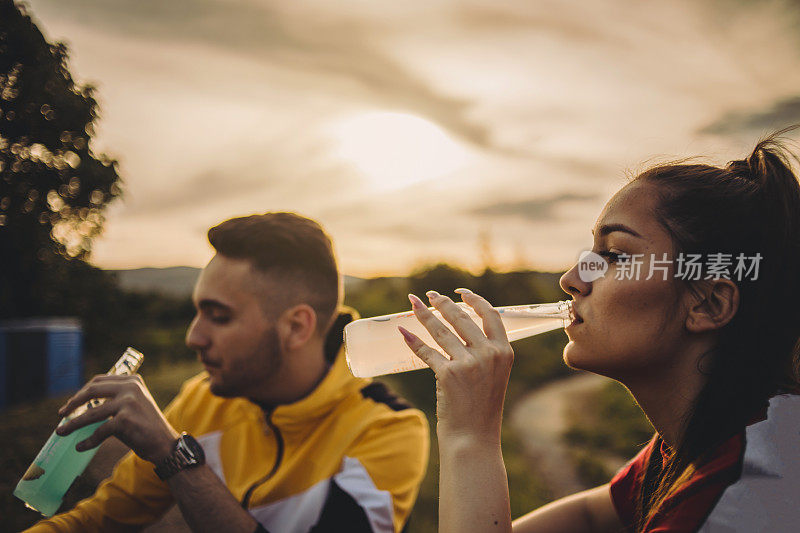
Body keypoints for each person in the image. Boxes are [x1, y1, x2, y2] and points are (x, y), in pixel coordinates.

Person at [399, 129, 800, 532]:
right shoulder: (702, 442)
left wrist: (471, 435)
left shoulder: (739, 502)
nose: (571, 278)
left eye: (613, 254)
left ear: (709, 304)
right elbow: (594, 516)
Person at [27, 212, 429, 533]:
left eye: (218, 316)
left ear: (296, 327)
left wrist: (175, 455)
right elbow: (100, 519)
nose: (193, 337)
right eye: (197, 312)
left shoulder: (388, 429)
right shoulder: (203, 398)